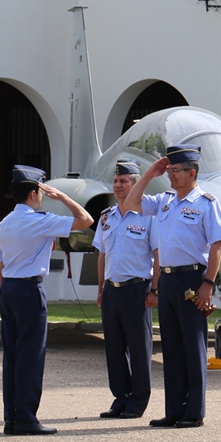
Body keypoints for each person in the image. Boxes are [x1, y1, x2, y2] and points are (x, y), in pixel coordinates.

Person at [125, 144, 221, 429]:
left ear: (191, 172)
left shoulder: (206, 203)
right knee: (171, 346)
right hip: (168, 279)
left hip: (193, 279)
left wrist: (208, 283)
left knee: (192, 347)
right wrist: (149, 173)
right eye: (169, 170)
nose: (170, 176)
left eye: (176, 171)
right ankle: (174, 409)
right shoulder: (165, 201)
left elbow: (217, 244)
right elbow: (131, 204)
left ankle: (194, 411)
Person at [0, 165, 93, 436]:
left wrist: (3, 294)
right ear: (35, 193)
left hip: (9, 289)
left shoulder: (4, 223)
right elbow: (85, 219)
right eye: (40, 191)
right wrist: (63, 198)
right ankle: (26, 417)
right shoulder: (40, 220)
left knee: (12, 356)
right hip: (28, 289)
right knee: (31, 355)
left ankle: (11, 417)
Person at [92, 159, 160, 419]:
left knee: (139, 348)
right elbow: (102, 255)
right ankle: (120, 397)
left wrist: (154, 289)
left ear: (135, 184)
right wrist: (100, 290)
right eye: (116, 181)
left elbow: (158, 253)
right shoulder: (107, 217)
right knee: (114, 348)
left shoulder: (147, 216)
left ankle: (137, 401)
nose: (118, 185)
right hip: (112, 290)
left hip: (137, 289)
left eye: (124, 181)